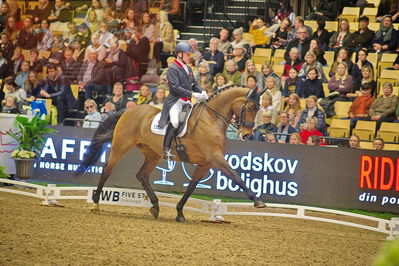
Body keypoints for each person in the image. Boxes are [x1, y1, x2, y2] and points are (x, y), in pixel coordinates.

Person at [158, 42, 207, 160]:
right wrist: (193, 94)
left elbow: (194, 84)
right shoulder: (172, 68)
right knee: (175, 122)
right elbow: (175, 88)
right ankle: (166, 149)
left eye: (189, 54)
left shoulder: (188, 68)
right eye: (187, 54)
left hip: (187, 101)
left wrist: (202, 91)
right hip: (176, 101)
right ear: (179, 54)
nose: (189, 56)